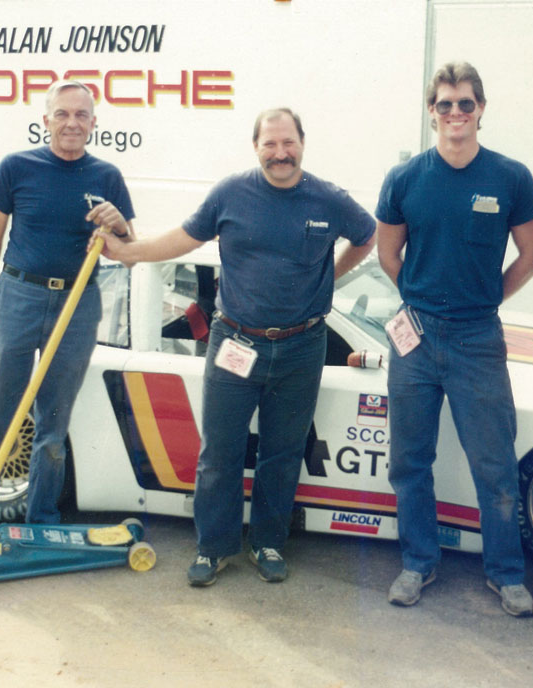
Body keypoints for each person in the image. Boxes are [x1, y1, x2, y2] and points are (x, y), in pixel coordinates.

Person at [97, 107, 376, 585]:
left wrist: (329, 277)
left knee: (283, 450)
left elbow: (368, 236)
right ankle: (214, 547)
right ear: (256, 147)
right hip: (234, 341)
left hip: (301, 345)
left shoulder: (329, 200)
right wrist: (129, 254)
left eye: (288, 143)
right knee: (220, 451)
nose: (280, 153)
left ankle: (267, 543)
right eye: (270, 144)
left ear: (302, 144)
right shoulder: (231, 193)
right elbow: (183, 239)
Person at [0, 80, 136, 560]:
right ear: (46, 121)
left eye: (81, 115)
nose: (72, 123)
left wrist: (121, 226)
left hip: (78, 304)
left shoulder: (107, 177)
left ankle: (41, 524)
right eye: (62, 114)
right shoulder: (16, 168)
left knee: (53, 426)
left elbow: (128, 253)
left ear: (93, 124)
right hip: (17, 297)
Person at [375, 62, 533, 616]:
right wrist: (422, 302)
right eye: (444, 104)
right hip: (415, 339)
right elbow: (388, 255)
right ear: (431, 112)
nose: (455, 114)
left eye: (465, 104)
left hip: (478, 339)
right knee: (409, 460)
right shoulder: (404, 179)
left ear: (481, 110)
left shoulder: (510, 178)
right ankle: (418, 563)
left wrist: (484, 300)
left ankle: (505, 574)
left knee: (493, 462)